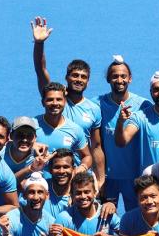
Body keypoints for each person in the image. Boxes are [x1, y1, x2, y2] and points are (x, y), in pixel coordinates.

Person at [31, 17, 106, 189]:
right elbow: (40, 70)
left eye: (83, 77)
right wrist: (39, 44)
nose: (78, 79)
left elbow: (96, 147)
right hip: (44, 177)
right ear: (66, 77)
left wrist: (100, 180)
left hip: (75, 179)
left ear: (88, 81)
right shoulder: (55, 96)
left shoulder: (93, 109)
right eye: (75, 75)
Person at [96, 55, 152, 210]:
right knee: (105, 219)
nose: (119, 80)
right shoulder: (96, 104)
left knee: (135, 221)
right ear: (108, 79)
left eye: (123, 76)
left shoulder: (144, 105)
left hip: (135, 177)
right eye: (115, 76)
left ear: (130, 79)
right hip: (107, 178)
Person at [115, 71, 159, 174]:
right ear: (151, 92)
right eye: (156, 89)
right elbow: (121, 142)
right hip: (149, 184)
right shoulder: (140, 117)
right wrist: (120, 122)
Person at [35, 82, 92, 175]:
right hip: (38, 186)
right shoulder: (32, 125)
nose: (54, 103)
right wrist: (32, 144)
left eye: (59, 99)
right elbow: (10, 142)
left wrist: (81, 168)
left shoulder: (75, 130)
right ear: (43, 102)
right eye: (50, 100)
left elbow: (87, 156)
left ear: (65, 102)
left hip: (65, 185)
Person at [2, 116, 52, 188]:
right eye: (20, 135)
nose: (25, 140)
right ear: (11, 136)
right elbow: (4, 183)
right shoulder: (0, 154)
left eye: (29, 136)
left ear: (35, 138)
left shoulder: (41, 156)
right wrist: (30, 169)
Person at [43, 148, 74, 219]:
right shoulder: (42, 187)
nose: (61, 171)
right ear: (50, 170)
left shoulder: (79, 193)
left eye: (66, 167)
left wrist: (105, 205)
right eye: (57, 167)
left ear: (73, 169)